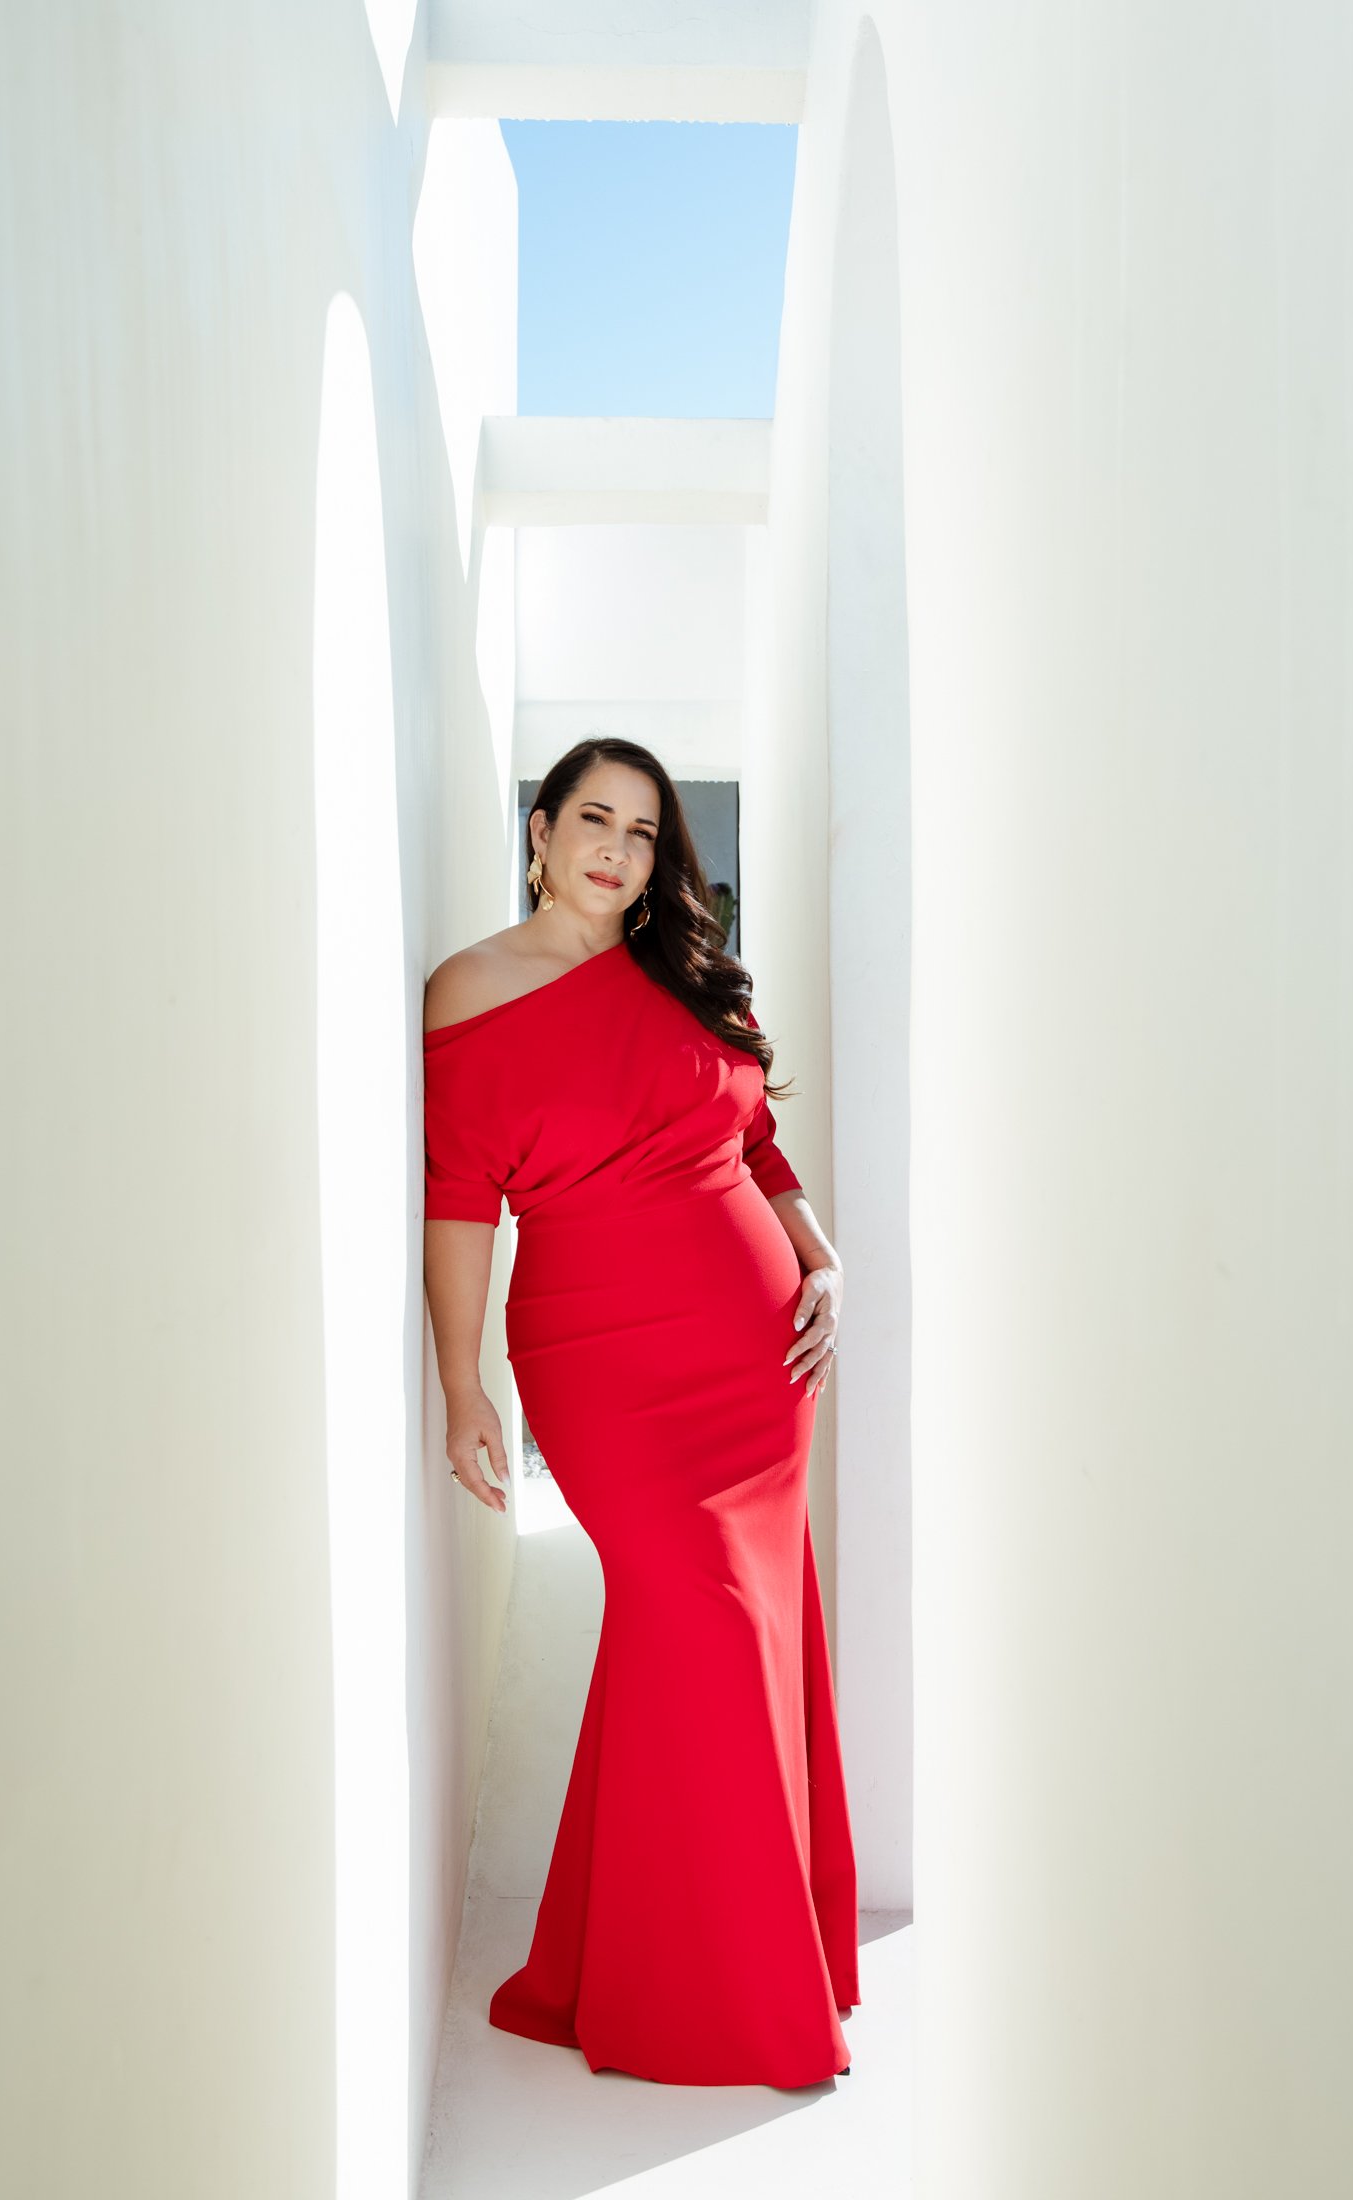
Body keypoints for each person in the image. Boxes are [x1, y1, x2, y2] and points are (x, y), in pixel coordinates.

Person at [422, 736, 859, 2089]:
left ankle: (697, 1955)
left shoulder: (675, 974)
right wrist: (458, 1378)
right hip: (604, 1359)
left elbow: (755, 1138)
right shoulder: (469, 991)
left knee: (728, 1638)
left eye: (646, 834)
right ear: (542, 830)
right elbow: (456, 1201)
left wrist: (821, 1251)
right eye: (593, 820)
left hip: (754, 1359)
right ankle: (729, 2000)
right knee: (704, 1625)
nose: (618, 851)